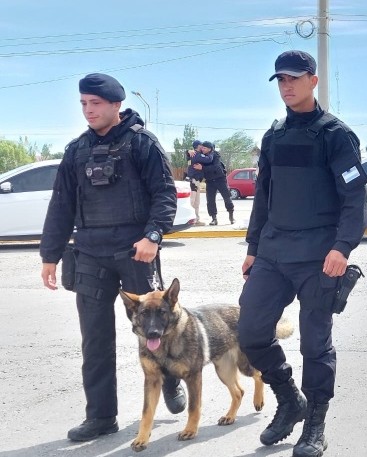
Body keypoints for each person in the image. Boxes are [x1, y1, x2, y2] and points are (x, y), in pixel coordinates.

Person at [38, 73, 187, 442]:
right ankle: (101, 416)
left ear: (116, 105)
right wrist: (49, 256)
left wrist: (153, 236)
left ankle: (169, 379)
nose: (89, 111)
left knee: (156, 332)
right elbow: (61, 205)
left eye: (96, 104)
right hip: (89, 253)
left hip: (135, 251)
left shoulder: (142, 144)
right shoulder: (76, 151)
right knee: (95, 339)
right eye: (84, 104)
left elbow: (164, 195)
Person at [238, 50, 367, 457]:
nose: (286, 86)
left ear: (313, 80)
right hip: (274, 251)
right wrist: (253, 247)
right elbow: (264, 196)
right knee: (250, 333)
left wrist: (342, 247)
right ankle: (289, 399)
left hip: (319, 256)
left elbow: (355, 199)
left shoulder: (335, 135)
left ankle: (315, 423)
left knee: (315, 345)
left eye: (294, 78)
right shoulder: (274, 136)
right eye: (280, 80)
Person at [199, 141, 235, 225]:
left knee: (227, 198)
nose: (202, 149)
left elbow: (216, 167)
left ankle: (231, 216)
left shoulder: (215, 156)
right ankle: (214, 219)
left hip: (220, 180)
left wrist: (203, 168)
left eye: (204, 148)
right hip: (210, 181)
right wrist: (188, 152)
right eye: (202, 147)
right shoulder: (202, 155)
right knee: (210, 201)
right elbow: (192, 157)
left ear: (209, 149)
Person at [185, 139, 210, 225]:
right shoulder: (197, 155)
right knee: (192, 201)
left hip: (196, 181)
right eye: (201, 145)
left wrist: (187, 151)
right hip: (193, 181)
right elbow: (208, 160)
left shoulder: (193, 154)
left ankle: (196, 220)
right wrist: (212, 154)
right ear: (198, 146)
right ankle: (189, 220)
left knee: (196, 202)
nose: (202, 147)